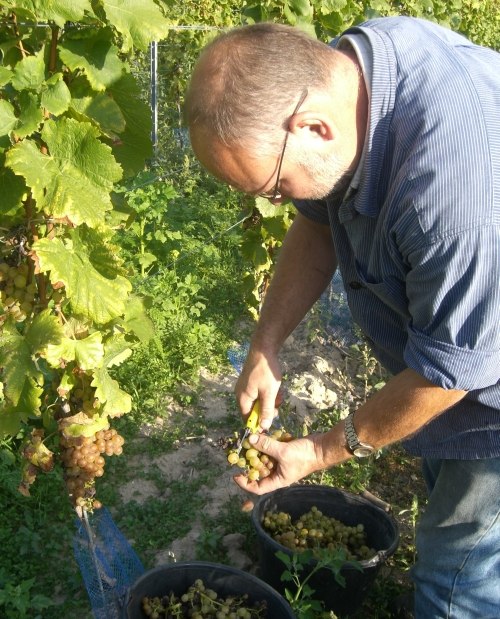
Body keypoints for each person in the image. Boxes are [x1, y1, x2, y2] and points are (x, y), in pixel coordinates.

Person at [185, 16, 500, 619]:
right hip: (461, 344)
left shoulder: (450, 197)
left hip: (487, 391)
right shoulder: (349, 75)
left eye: (272, 186)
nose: (274, 201)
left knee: (457, 582)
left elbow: (450, 372)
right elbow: (316, 218)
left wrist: (327, 449)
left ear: (313, 127)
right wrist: (265, 345)